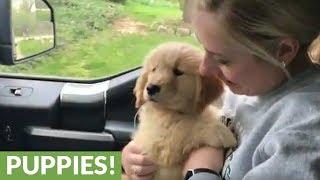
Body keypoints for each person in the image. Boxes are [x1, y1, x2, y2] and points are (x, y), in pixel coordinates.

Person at [121, 0, 320, 179]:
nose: (204, 69)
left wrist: (200, 170)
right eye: (204, 49)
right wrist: (131, 158)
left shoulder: (303, 133)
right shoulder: (244, 88)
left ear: (283, 51)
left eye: (222, 60)